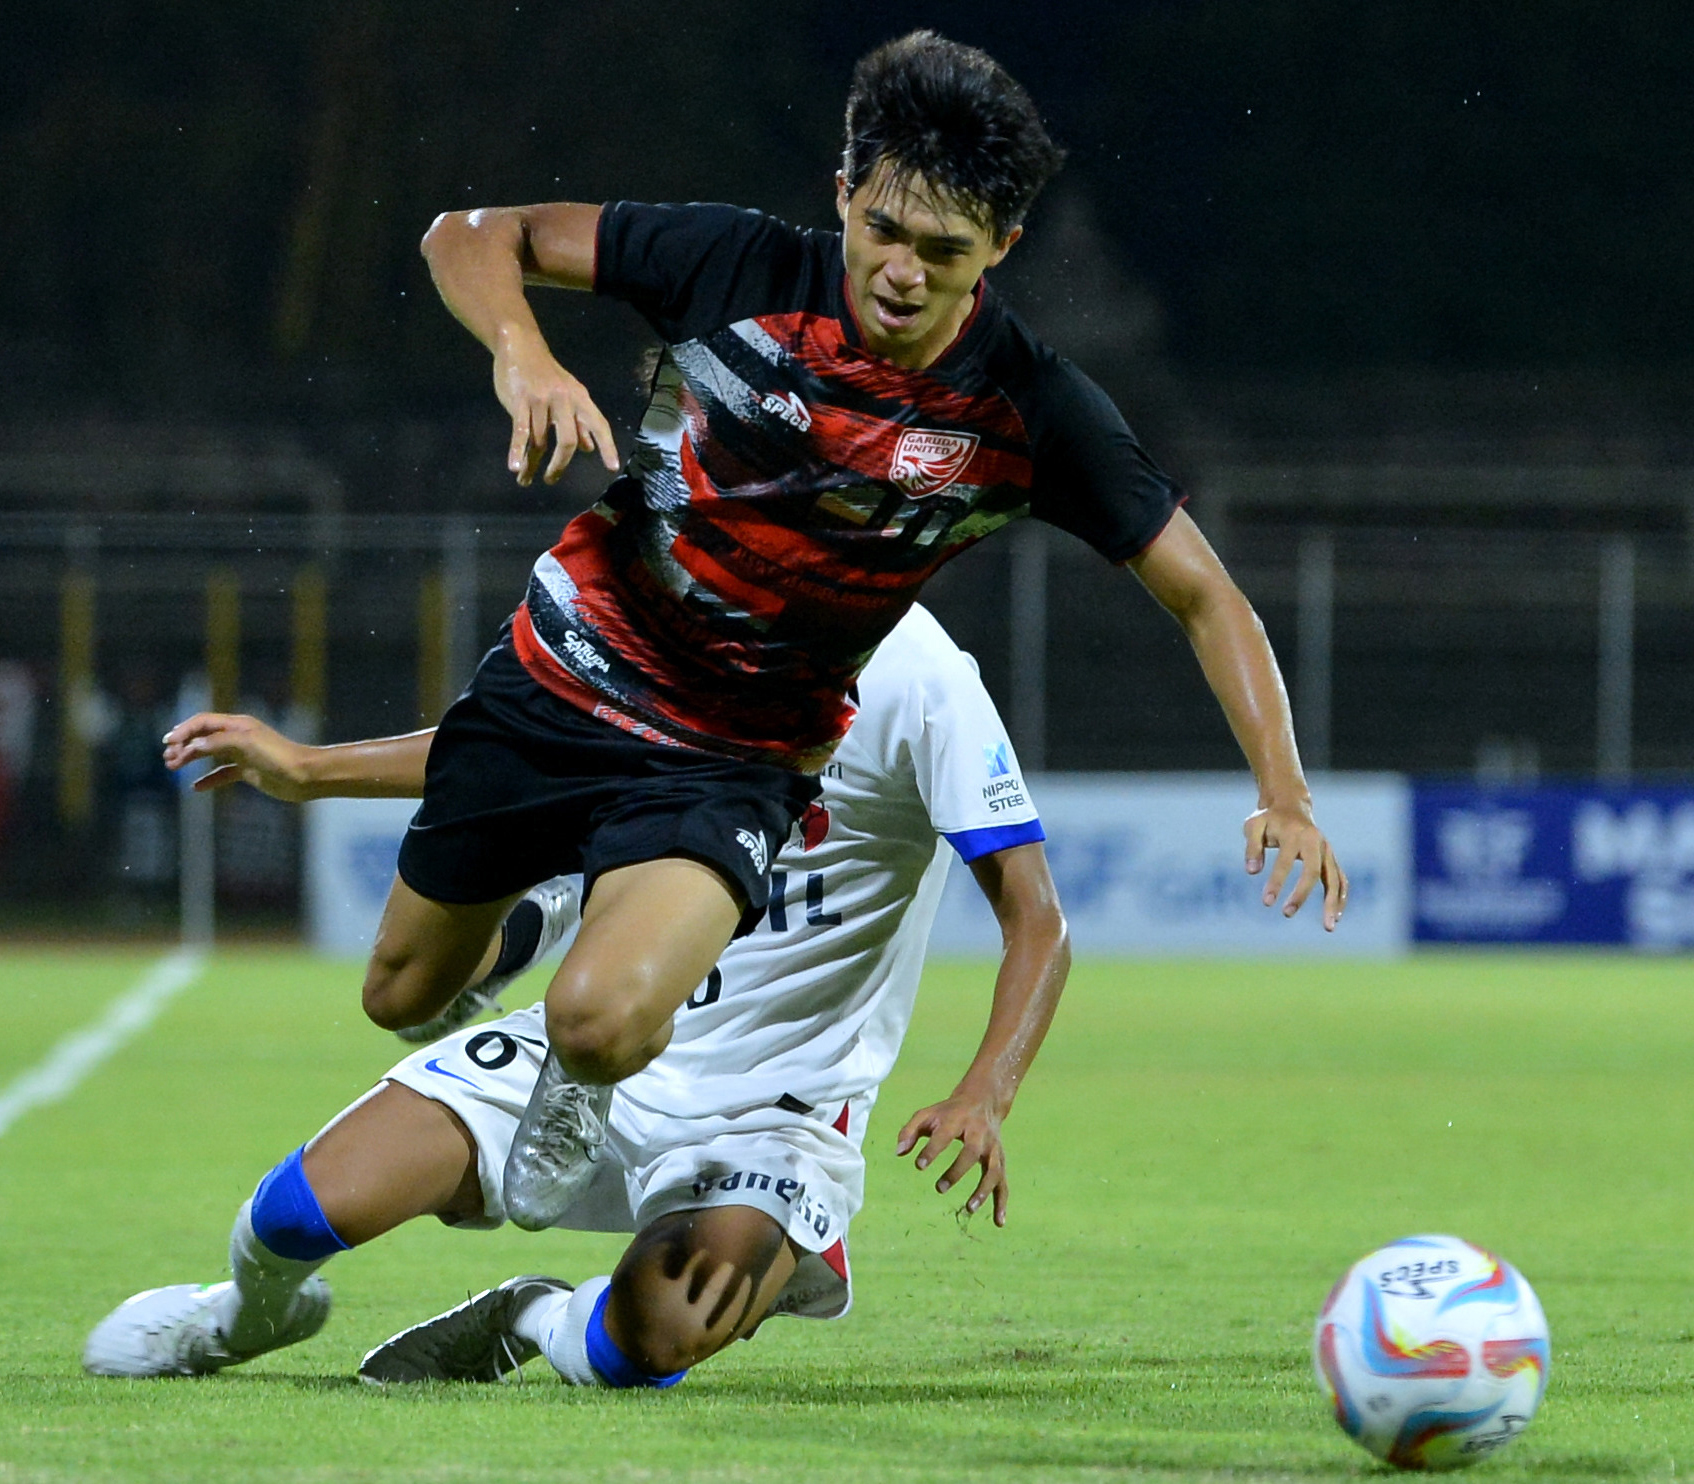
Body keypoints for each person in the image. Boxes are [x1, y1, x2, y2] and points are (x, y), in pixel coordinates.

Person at [335, 31, 1347, 1216]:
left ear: (1001, 248)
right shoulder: (734, 262)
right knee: (398, 994)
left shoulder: (1027, 407)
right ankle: (535, 917)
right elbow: (468, 232)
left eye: (944, 251)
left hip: (733, 755)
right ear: (842, 194)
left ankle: (575, 1066)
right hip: (560, 674)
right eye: (884, 230)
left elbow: (1204, 593)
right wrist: (521, 350)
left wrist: (1283, 790)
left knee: (598, 1023)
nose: (903, 272)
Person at [87, 606, 1065, 1388]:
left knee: (656, 1335)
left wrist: (985, 1091)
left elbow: (1038, 921)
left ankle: (533, 1315)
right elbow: (510, 741)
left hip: (772, 1112)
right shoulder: (675, 619)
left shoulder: (923, 676)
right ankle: (239, 1316)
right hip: (588, 1051)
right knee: (302, 1214)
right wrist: (308, 770)